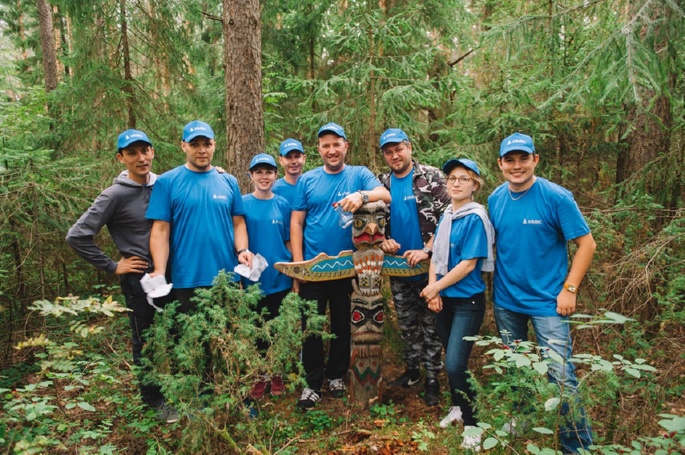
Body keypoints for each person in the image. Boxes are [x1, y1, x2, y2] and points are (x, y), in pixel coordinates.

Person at [488, 132, 596, 454]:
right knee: (515, 367)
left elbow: (587, 244)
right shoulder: (495, 199)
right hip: (507, 301)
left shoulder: (555, 197)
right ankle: (522, 418)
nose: (517, 166)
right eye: (510, 160)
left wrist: (570, 289)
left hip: (549, 303)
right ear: (500, 164)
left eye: (524, 158)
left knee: (561, 377)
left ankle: (576, 445)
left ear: (535, 159)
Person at [66, 129, 179, 423]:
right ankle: (154, 399)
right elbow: (77, 236)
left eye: (145, 151)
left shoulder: (164, 184)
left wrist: (216, 171)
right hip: (139, 278)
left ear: (152, 152)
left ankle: (182, 388)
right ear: (121, 158)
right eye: (132, 153)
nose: (141, 158)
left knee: (178, 331)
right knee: (145, 339)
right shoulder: (114, 195)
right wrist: (113, 266)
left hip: (173, 272)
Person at [291, 122, 391, 410]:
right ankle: (312, 384)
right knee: (311, 327)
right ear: (319, 149)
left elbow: (386, 195)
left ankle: (336, 375)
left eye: (337, 144)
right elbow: (297, 222)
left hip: (348, 267)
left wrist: (362, 195)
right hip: (314, 267)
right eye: (326, 145)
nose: (332, 150)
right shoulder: (307, 180)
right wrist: (299, 265)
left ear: (345, 146)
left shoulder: (359, 174)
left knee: (342, 324)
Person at [420, 158, 494, 450]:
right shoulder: (447, 215)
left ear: (474, 185)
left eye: (464, 179)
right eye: (452, 178)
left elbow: (468, 264)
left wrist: (435, 287)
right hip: (444, 301)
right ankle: (457, 408)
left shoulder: (475, 217)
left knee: (454, 364)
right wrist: (434, 291)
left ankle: (474, 425)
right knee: (450, 356)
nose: (456, 183)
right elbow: (435, 258)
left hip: (467, 302)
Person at [146, 120, 253, 311]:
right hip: (187, 278)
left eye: (207, 144)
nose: (202, 150)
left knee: (228, 329)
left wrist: (243, 250)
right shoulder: (167, 182)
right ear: (183, 146)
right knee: (193, 330)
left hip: (227, 276)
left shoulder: (229, 181)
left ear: (214, 145)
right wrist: (159, 270)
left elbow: (238, 223)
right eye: (195, 144)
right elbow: (160, 231)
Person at [377, 128, 450, 406]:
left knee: (431, 324)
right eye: (388, 152)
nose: (394, 156)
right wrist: (383, 240)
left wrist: (427, 249)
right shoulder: (382, 183)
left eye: (398, 149)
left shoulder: (431, 177)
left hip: (430, 267)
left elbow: (448, 217)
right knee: (407, 323)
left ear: (409, 147)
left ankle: (433, 378)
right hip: (398, 268)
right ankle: (412, 371)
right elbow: (375, 222)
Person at [241, 153, 293, 399]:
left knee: (278, 329)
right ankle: (260, 375)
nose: (264, 176)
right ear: (251, 176)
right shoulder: (242, 204)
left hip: (280, 279)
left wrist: (293, 272)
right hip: (253, 281)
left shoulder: (283, 205)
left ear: (275, 175)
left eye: (269, 172)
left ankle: (277, 372)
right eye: (259, 172)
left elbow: (288, 240)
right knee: (257, 330)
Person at [272, 138, 306, 205]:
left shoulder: (311, 186)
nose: (293, 161)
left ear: (304, 159)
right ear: (281, 160)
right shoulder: (274, 190)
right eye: (288, 157)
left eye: (297, 156)